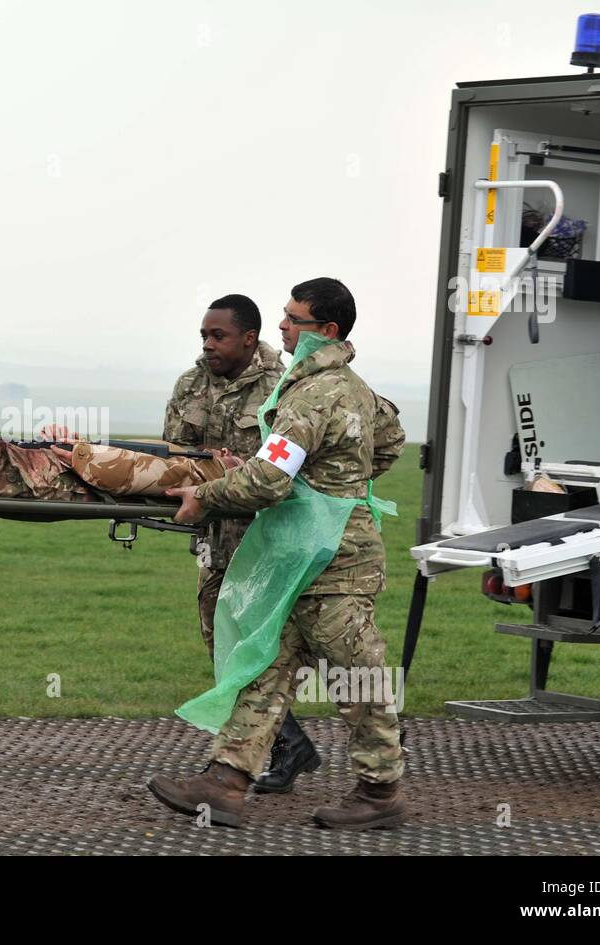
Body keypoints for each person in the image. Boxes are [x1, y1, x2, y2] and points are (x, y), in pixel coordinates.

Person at [148, 277, 407, 830]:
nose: (283, 326)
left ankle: (379, 792)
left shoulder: (314, 394)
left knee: (357, 677)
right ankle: (226, 783)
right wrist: (336, 482)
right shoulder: (344, 386)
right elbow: (388, 439)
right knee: (265, 665)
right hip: (304, 555)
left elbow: (267, 480)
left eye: (294, 319)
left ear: (327, 331)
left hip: (335, 563)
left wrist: (206, 497)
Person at [162, 294, 321, 794]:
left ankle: (380, 737)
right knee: (225, 647)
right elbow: (172, 455)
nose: (207, 345)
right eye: (203, 336)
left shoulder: (287, 386)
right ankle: (288, 744)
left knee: (309, 647)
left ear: (249, 339)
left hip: (274, 541)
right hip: (215, 540)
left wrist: (239, 470)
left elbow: (291, 468)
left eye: (218, 336)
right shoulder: (190, 384)